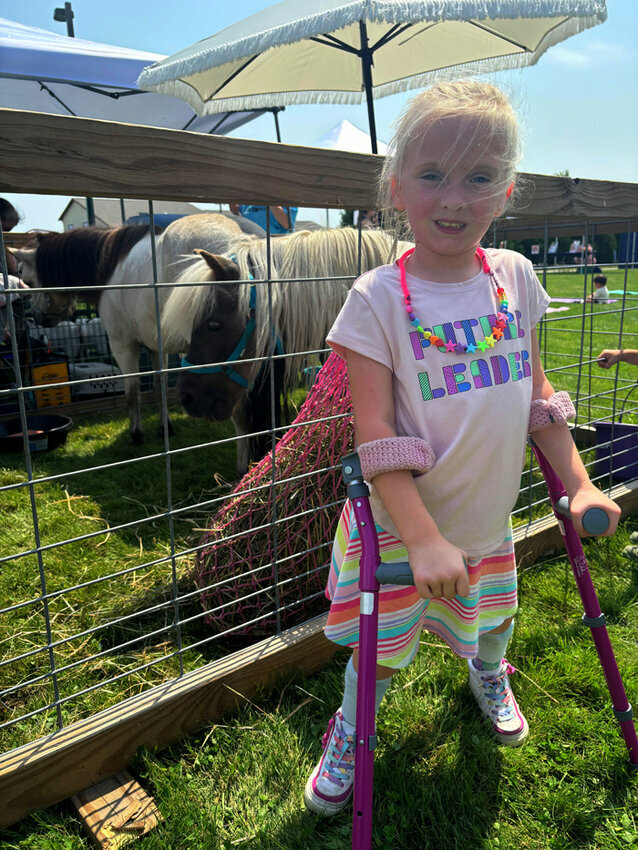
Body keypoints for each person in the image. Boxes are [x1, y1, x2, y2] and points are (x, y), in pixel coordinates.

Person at [303, 80, 620, 817]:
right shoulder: (375, 298)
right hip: (402, 531)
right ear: (396, 187)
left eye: (479, 178)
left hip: (486, 522)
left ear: (506, 191)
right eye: (433, 175)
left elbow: (539, 401)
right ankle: (353, 726)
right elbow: (374, 433)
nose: (455, 197)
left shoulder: (517, 278)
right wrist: (423, 538)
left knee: (496, 620)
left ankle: (488, 675)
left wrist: (579, 483)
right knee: (378, 657)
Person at [228, 203, 297, 235]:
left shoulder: (287, 194)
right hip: (250, 245)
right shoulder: (249, 194)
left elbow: (287, 224)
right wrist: (235, 210)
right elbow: (240, 213)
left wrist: (269, 199)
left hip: (276, 246)